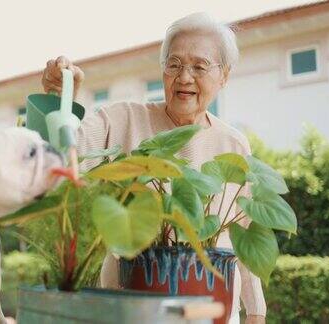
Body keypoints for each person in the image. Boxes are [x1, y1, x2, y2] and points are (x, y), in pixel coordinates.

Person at [40, 12, 266, 324]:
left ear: (224, 76)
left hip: (214, 312)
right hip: (132, 308)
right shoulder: (122, 120)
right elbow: (63, 156)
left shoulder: (234, 144)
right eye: (174, 64)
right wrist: (60, 97)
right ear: (162, 70)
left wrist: (256, 312)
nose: (184, 77)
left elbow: (246, 236)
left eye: (199, 66)